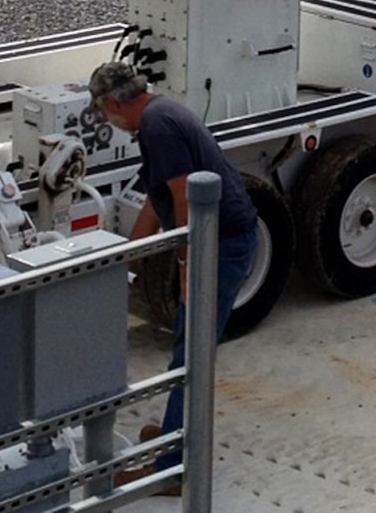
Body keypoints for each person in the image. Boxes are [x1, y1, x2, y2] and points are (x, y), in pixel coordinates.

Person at [88, 60, 259, 473]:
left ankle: (173, 466)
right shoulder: (161, 114)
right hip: (225, 239)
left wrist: (187, 262)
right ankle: (174, 434)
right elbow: (157, 195)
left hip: (222, 244)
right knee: (188, 349)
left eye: (101, 111)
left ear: (112, 102)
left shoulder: (159, 127)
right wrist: (128, 258)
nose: (105, 119)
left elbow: (184, 198)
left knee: (191, 355)